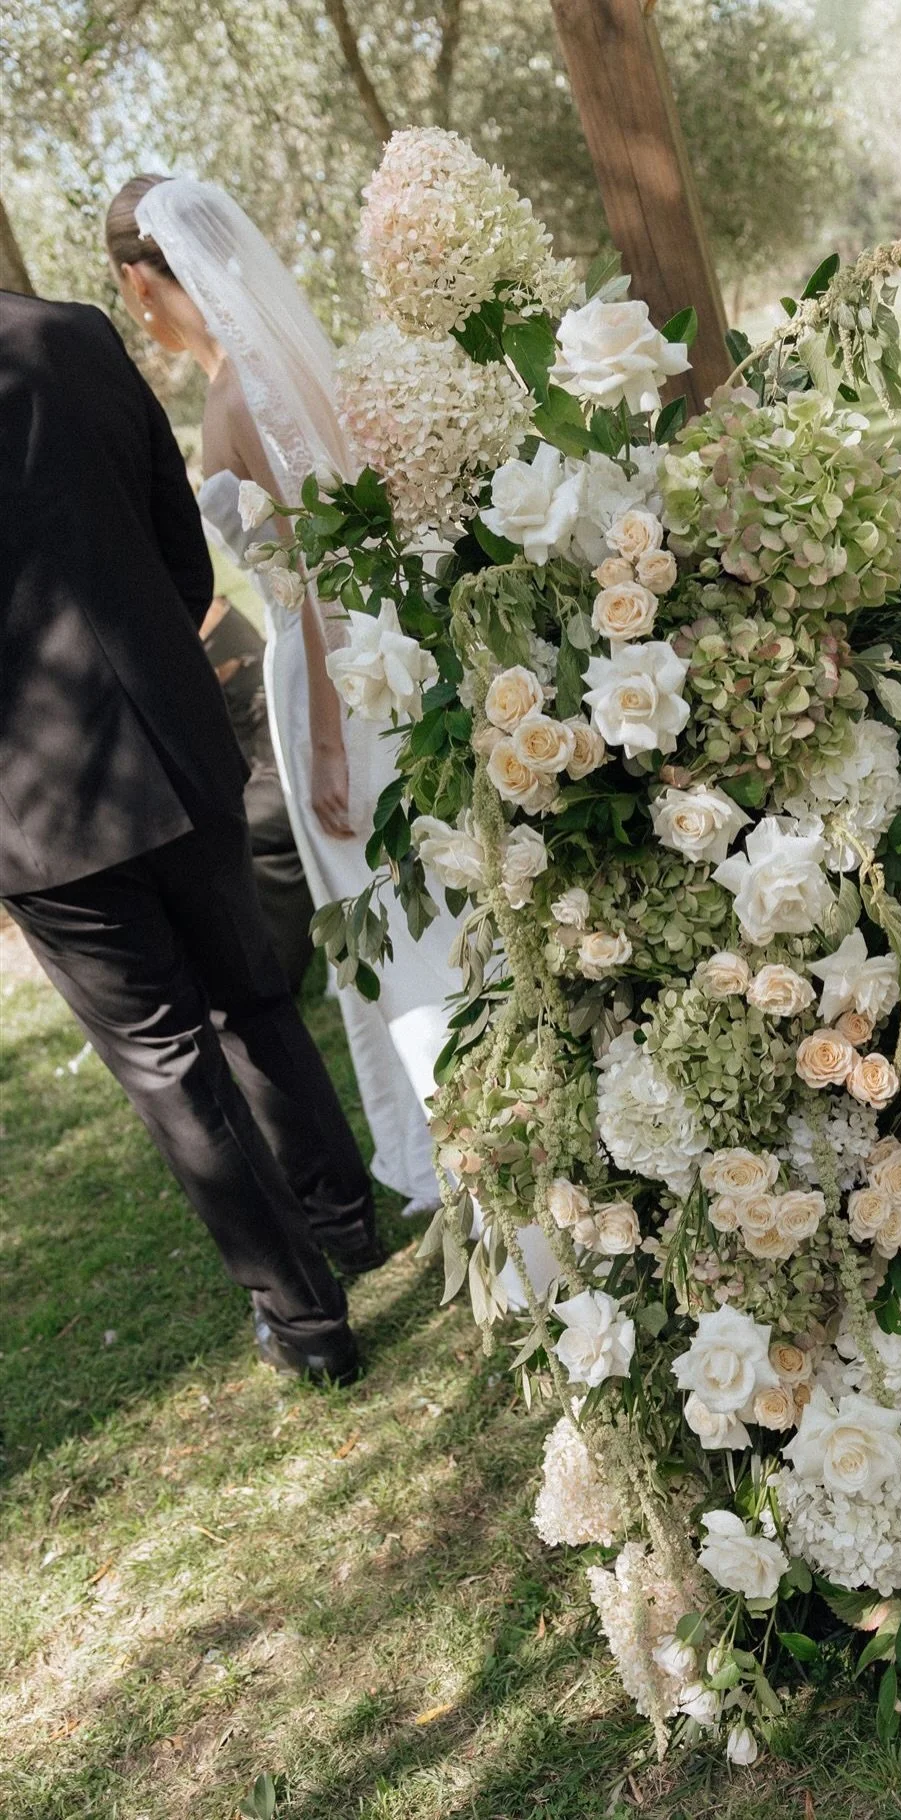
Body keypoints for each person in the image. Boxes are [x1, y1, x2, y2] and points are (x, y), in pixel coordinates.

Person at [0, 287, 380, 1384]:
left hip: (36, 804)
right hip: (175, 728)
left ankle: (310, 1321)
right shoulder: (70, 332)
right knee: (250, 992)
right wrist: (157, 663)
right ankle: (345, 1216)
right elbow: (181, 544)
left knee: (169, 1059)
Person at [105, 175, 455, 1214]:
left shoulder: (241, 396)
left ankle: (474, 1155)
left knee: (395, 917)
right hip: (364, 662)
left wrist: (333, 745)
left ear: (141, 280)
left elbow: (316, 573)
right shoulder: (272, 373)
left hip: (331, 681)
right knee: (410, 909)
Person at [200, 594, 316, 993]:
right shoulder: (205, 621)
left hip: (283, 771)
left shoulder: (203, 630)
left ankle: (272, 975)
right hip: (263, 769)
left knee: (226, 834)